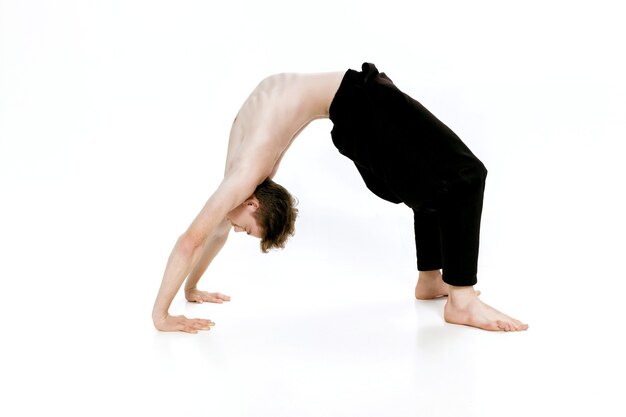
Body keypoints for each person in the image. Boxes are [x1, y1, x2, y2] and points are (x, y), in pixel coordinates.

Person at [152, 62, 528, 333]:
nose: (236, 231)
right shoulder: (241, 175)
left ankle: (453, 295)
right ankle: (440, 286)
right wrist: (191, 287)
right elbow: (213, 232)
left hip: (359, 102)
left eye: (247, 231)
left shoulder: (245, 171)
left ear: (253, 204)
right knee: (432, 181)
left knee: (464, 176)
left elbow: (190, 240)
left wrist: (161, 315)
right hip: (353, 106)